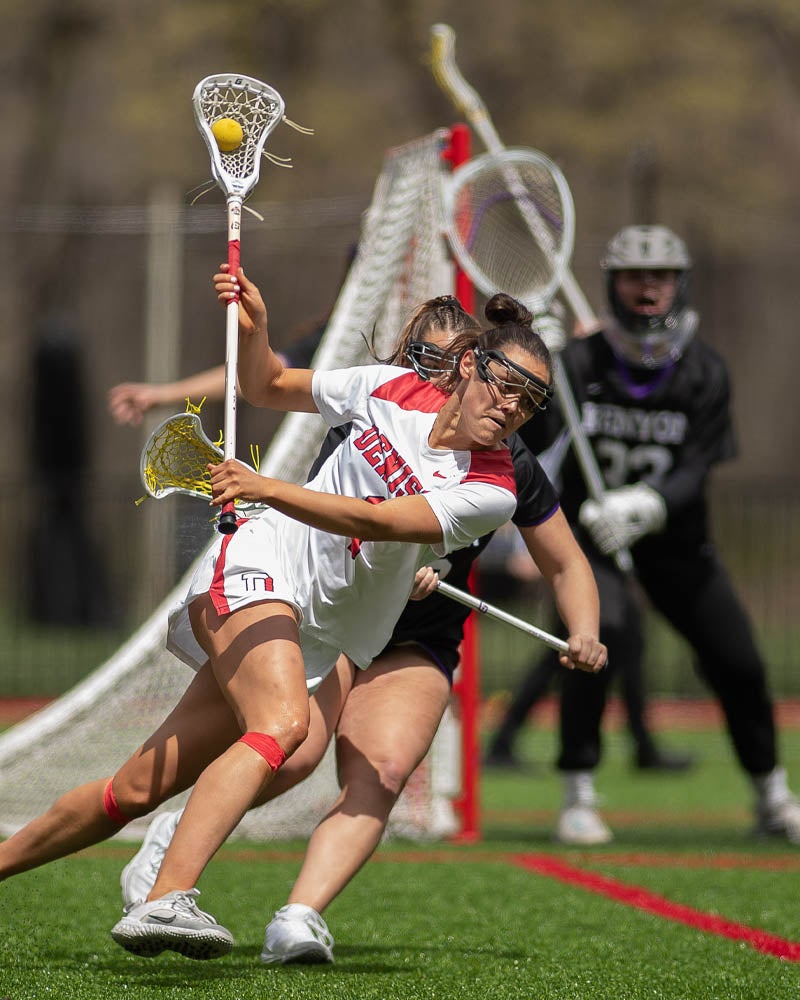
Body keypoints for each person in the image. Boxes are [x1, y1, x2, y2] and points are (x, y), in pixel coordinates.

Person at [0, 270, 607, 962]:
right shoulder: (390, 388)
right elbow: (267, 388)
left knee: (134, 789)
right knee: (286, 728)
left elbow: (375, 521)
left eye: (530, 400)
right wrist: (255, 330)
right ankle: (167, 897)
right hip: (260, 566)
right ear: (469, 365)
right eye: (502, 381)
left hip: (319, 632)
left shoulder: (490, 487)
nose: (510, 405)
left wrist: (268, 485)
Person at [517, 223, 800, 846]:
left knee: (739, 660)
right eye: (634, 276)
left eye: (661, 276)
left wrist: (647, 504)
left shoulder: (703, 369)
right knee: (600, 634)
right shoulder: (579, 363)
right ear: (612, 285)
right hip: (594, 538)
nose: (648, 289)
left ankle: (771, 794)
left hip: (675, 542)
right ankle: (578, 791)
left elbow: (700, 463)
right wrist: (537, 374)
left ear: (680, 283)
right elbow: (531, 442)